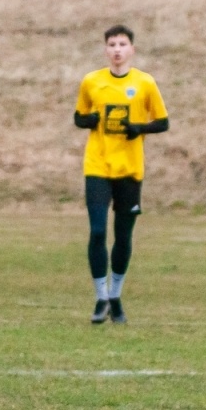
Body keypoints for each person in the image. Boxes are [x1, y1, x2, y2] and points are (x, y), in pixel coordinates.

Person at [73, 24, 168, 325]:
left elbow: (163, 122)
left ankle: (115, 296)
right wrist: (88, 120)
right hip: (98, 167)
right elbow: (78, 116)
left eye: (122, 44)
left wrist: (139, 128)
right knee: (98, 231)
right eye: (112, 44)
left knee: (123, 236)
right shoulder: (91, 81)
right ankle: (100, 297)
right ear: (105, 50)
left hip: (130, 169)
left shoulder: (144, 83)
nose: (117, 50)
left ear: (131, 49)